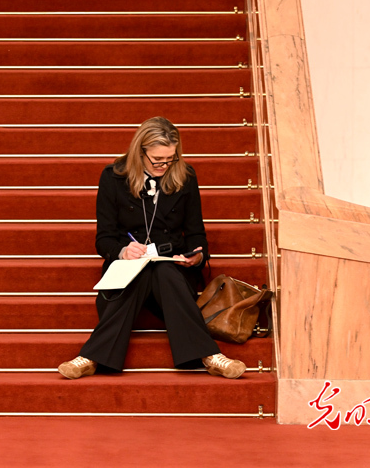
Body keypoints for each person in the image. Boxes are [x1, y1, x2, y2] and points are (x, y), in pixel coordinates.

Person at [58, 116, 246, 380]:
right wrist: (123, 252)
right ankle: (208, 355)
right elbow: (104, 239)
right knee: (143, 272)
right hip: (128, 271)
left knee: (163, 271)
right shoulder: (113, 177)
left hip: (173, 272)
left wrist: (197, 257)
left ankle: (91, 356)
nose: (164, 165)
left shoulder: (186, 176)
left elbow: (195, 234)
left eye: (170, 158)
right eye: (157, 159)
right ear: (140, 152)